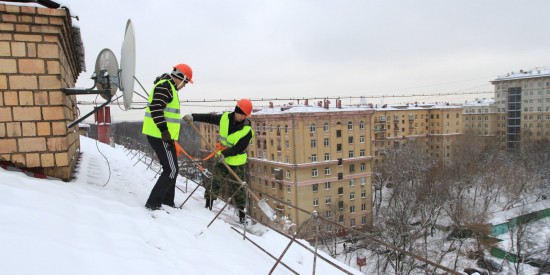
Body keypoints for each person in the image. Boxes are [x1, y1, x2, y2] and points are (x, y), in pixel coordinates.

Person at [183, 99, 254, 223]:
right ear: (236, 111)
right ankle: (207, 206)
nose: (242, 117)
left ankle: (242, 216)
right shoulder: (225, 118)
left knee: (238, 189)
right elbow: (209, 118)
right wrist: (193, 117)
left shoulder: (247, 131)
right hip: (222, 159)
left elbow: (239, 148)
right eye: (241, 114)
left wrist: (225, 154)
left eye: (245, 115)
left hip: (237, 162)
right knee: (214, 181)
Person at [142, 64, 193, 211]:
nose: (185, 86)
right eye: (186, 82)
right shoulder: (166, 86)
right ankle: (153, 204)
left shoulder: (168, 86)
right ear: (181, 78)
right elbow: (156, 107)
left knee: (172, 169)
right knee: (170, 170)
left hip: (163, 136)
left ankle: (167, 202)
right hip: (160, 135)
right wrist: (165, 132)